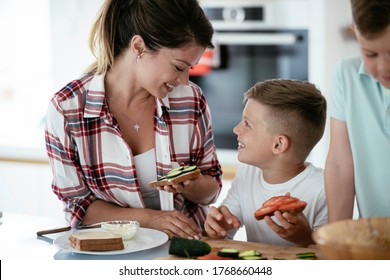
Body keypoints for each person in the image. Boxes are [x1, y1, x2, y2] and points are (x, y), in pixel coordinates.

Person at [44, 0, 223, 240]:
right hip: (113, 253)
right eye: (179, 67)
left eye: (190, 68)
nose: (184, 80)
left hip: (187, 251)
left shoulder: (191, 100)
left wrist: (192, 183)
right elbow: (79, 208)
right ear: (138, 46)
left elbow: (211, 190)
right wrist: (151, 219)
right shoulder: (68, 109)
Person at [204, 79, 328, 247]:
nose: (236, 129)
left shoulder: (324, 190)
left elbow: (333, 258)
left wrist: (305, 238)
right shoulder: (248, 172)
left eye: (247, 124)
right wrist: (218, 228)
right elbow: (225, 229)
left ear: (278, 145)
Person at [325, 0, 390, 222]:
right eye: (371, 54)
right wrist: (337, 237)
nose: (384, 67)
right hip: (373, 239)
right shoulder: (347, 74)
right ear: (355, 31)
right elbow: (340, 163)